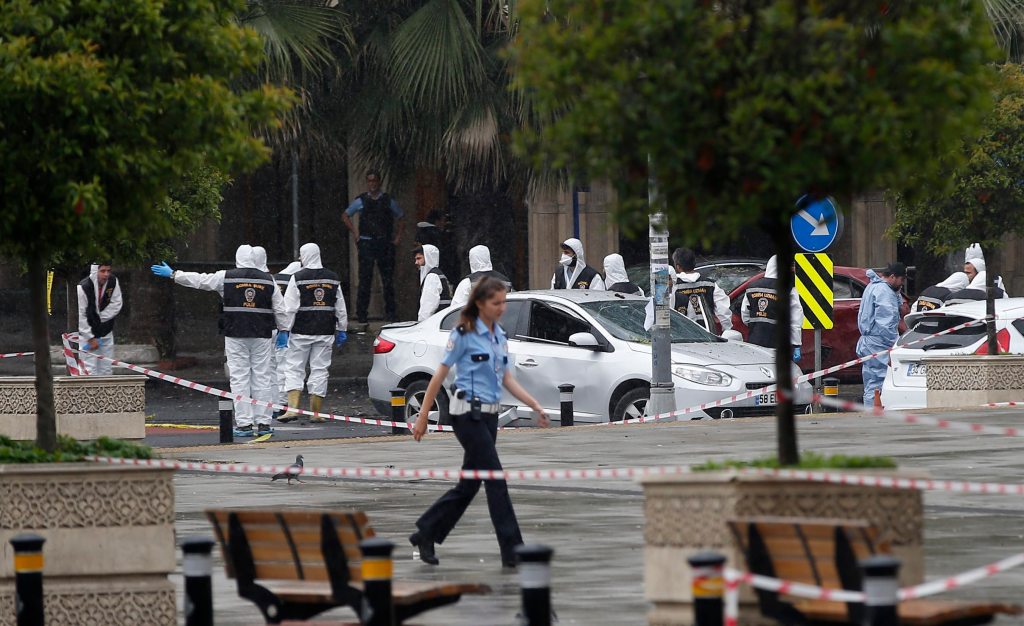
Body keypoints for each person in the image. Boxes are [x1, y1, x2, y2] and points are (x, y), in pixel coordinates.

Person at [409, 277, 550, 568]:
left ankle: (427, 532)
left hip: (488, 416)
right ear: (481, 303)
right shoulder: (463, 334)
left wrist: (534, 404)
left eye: (504, 302)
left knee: (470, 485)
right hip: (466, 415)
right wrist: (423, 416)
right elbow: (439, 374)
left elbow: (507, 378)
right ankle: (513, 551)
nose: (502, 308)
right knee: (496, 480)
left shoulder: (500, 335)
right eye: (496, 303)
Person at [151, 245, 287, 437]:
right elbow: (280, 309)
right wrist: (284, 330)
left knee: (239, 378)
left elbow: (200, 280)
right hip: (261, 334)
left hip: (235, 333)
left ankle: (244, 424)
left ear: (237, 258)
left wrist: (174, 274)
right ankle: (264, 423)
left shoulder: (227, 277)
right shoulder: (268, 280)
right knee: (262, 377)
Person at [277, 243, 348, 423]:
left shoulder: (298, 277)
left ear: (304, 256)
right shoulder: (332, 278)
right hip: (325, 331)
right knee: (320, 370)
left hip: (301, 331)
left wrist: (284, 330)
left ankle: (293, 409)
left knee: (294, 368)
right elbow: (340, 307)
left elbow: (290, 308)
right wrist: (342, 329)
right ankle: (316, 413)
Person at [341, 170, 404, 323]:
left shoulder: (387, 200)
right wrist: (355, 232)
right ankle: (361, 314)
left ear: (379, 182)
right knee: (365, 280)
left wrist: (397, 238)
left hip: (384, 242)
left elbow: (401, 217)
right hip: (367, 242)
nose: (372, 184)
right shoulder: (361, 200)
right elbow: (345, 215)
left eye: (374, 181)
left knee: (387, 280)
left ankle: (391, 313)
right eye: (369, 181)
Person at [856, 262, 905, 408]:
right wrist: (895, 344)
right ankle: (876, 414)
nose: (902, 284)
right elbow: (886, 321)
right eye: (901, 280)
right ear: (893, 277)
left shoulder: (873, 286)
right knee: (880, 381)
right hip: (879, 343)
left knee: (871, 382)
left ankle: (870, 411)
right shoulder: (885, 292)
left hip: (869, 342)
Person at [741, 255, 803, 361]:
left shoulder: (752, 287)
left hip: (755, 342)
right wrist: (796, 344)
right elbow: (795, 318)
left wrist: (757, 326)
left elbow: (745, 315)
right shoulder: (788, 288)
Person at [77, 262, 123, 375]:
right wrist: (89, 337)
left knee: (106, 368)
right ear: (95, 271)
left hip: (106, 330)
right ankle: (86, 393)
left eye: (108, 271)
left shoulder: (112, 282)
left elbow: (116, 304)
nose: (106, 274)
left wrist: (98, 318)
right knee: (88, 370)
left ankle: (105, 393)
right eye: (102, 271)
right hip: (88, 333)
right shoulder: (84, 287)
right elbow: (82, 314)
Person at [672, 248, 732, 335]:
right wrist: (727, 331)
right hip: (707, 334)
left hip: (680, 335)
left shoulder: (673, 285)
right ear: (694, 264)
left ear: (677, 266)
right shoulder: (710, 285)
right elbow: (724, 311)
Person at [271, 260, 302, 416]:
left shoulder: (274, 278)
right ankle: (281, 405)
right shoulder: (297, 280)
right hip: (285, 329)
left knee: (270, 368)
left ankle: (269, 404)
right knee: (284, 367)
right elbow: (290, 309)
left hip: (268, 328)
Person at [414, 244, 452, 321]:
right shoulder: (438, 274)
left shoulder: (432, 277)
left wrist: (421, 324)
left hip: (433, 324)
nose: (416, 262)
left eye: (419, 258)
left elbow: (428, 307)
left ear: (429, 258)